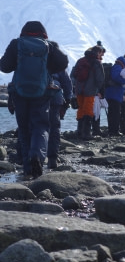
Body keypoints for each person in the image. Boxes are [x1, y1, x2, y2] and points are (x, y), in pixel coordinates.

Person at [0, 21, 68, 178]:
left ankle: (27, 169)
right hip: (42, 93)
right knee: (41, 127)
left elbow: (4, 67)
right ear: (43, 32)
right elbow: (63, 63)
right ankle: (36, 155)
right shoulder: (48, 45)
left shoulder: (16, 44)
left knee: (23, 130)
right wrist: (48, 69)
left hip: (20, 92)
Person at [70, 45, 105, 140]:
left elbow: (73, 74)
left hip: (79, 89)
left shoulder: (81, 60)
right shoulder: (96, 62)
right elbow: (100, 79)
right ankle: (86, 133)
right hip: (90, 90)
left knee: (81, 109)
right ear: (98, 53)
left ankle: (79, 131)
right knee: (88, 110)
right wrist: (100, 90)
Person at [47, 69, 73, 169]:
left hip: (34, 97)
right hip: (54, 97)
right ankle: (52, 158)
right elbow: (67, 83)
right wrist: (67, 99)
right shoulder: (56, 58)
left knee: (35, 127)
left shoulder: (27, 55)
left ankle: (29, 159)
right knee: (54, 128)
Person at [105, 56, 125, 136]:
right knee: (115, 113)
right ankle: (114, 131)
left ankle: (112, 130)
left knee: (113, 113)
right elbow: (115, 77)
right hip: (114, 94)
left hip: (113, 93)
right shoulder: (118, 67)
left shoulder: (118, 66)